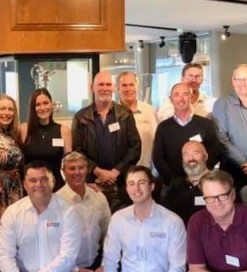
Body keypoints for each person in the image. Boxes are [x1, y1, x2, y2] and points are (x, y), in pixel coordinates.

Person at [72, 71, 141, 212]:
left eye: (108, 84)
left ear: (114, 88)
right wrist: (97, 171)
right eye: (101, 84)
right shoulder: (81, 117)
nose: (105, 88)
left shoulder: (125, 114)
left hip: (121, 184)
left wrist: (116, 172)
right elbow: (76, 150)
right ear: (92, 87)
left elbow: (135, 147)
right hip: (92, 185)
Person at [56, 152, 111, 272]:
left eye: (81, 168)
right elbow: (52, 245)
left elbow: (109, 235)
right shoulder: (56, 201)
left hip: (96, 265)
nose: (77, 172)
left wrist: (105, 266)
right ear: (63, 171)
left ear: (87, 170)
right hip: (68, 269)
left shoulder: (99, 197)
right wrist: (74, 271)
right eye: (72, 168)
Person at [152, 82, 221, 186]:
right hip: (173, 184)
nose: (181, 99)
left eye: (185, 94)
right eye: (177, 95)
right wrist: (174, 180)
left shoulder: (206, 124)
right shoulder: (163, 127)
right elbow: (158, 158)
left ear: (192, 97)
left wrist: (200, 175)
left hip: (201, 183)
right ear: (171, 99)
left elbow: (214, 152)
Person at [20, 88, 71, 191]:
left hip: (56, 187)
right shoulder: (24, 129)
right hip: (32, 188)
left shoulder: (64, 130)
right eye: (38, 104)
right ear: (33, 108)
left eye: (45, 103)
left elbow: (70, 163)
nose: (42, 107)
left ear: (51, 104)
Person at [0, 94, 24, 219]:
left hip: (15, 187)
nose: (6, 112)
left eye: (10, 109)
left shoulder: (12, 136)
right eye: (2, 108)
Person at [161, 141, 211, 224]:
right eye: (186, 154)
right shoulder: (175, 185)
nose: (191, 159)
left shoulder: (218, 182)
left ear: (205, 157)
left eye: (196, 153)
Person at [117, 71, 159, 168]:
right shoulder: (112, 114)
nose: (128, 89)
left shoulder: (150, 111)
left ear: (137, 87)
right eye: (124, 85)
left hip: (148, 171)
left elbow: (158, 143)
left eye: (132, 84)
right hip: (121, 173)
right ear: (117, 88)